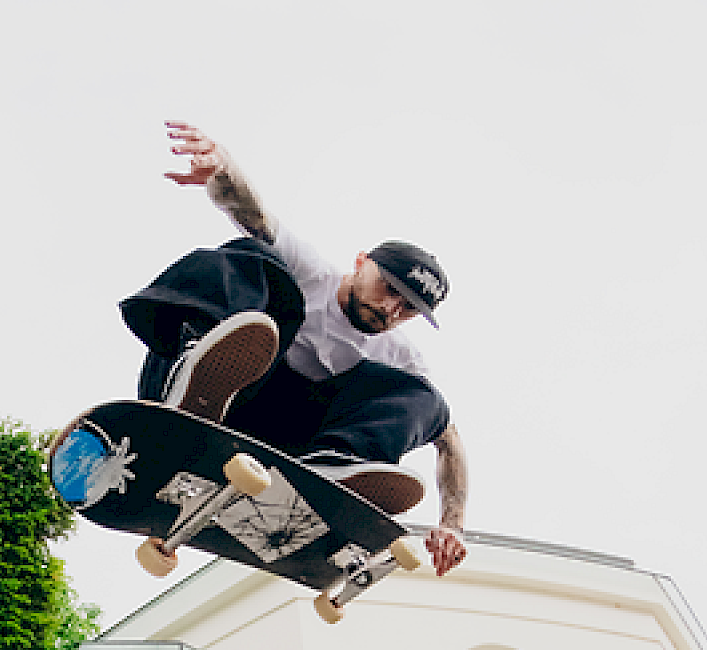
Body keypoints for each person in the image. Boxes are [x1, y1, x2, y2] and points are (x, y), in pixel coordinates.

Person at [121, 120, 469, 576]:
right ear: (360, 261)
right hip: (200, 389)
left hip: (275, 439)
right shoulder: (311, 271)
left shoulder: (399, 358)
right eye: (388, 288)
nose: (390, 309)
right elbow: (252, 211)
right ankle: (195, 377)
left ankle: (332, 466)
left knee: (429, 399)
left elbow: (449, 440)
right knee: (260, 258)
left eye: (407, 310)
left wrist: (453, 524)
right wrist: (222, 167)